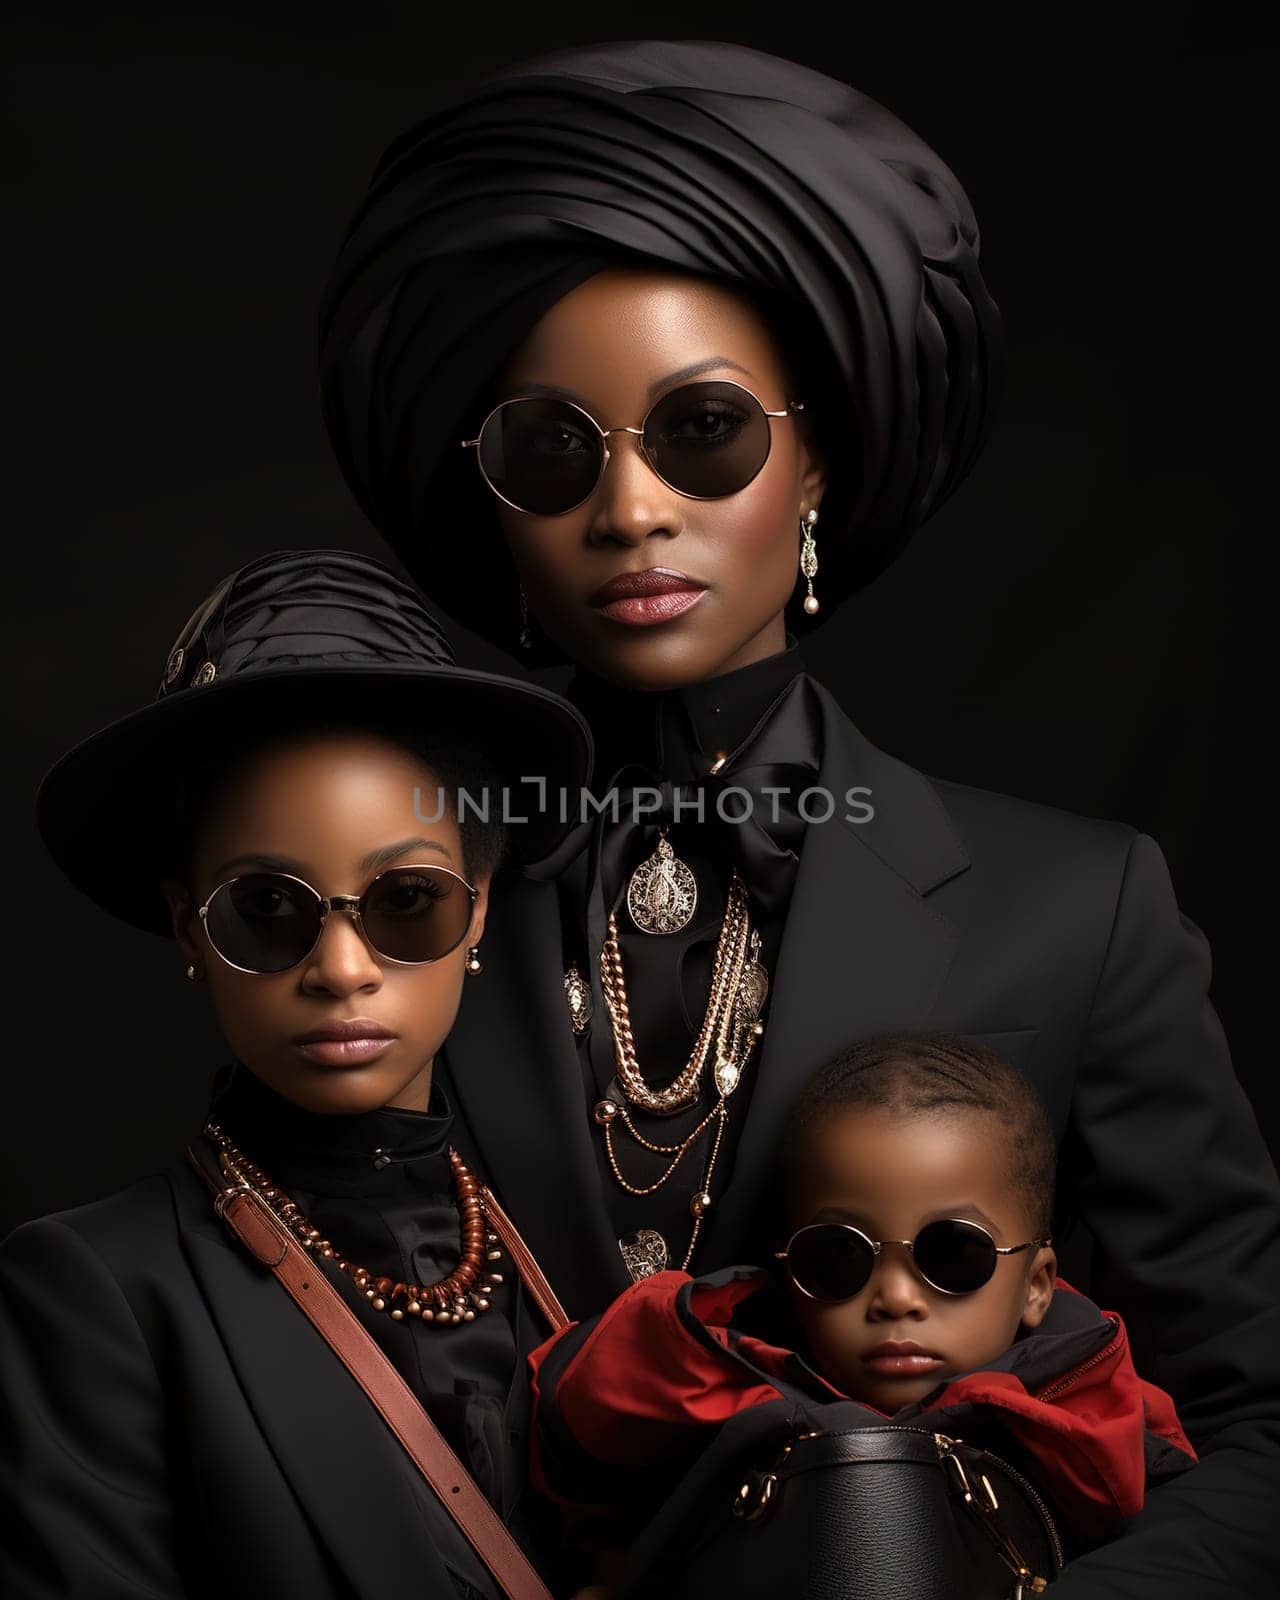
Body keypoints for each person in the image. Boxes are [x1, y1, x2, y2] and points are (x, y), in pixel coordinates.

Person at [317, 39, 1280, 1595]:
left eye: (703, 430)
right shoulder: (380, 913)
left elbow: (1262, 1417)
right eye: (554, 450)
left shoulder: (1076, 906)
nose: (631, 511)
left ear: (819, 452)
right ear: (494, 503)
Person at [0, 548, 593, 1599]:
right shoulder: (96, 1294)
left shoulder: (567, 1231)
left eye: (407, 900)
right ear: (189, 927)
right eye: (265, 910)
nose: (340, 970)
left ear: (481, 909)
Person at [526, 1032, 1198, 1593]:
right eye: (839, 1258)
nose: (896, 1298)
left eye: (953, 1255)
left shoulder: (1100, 1427)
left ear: (1037, 1286)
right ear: (791, 1272)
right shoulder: (700, 1387)